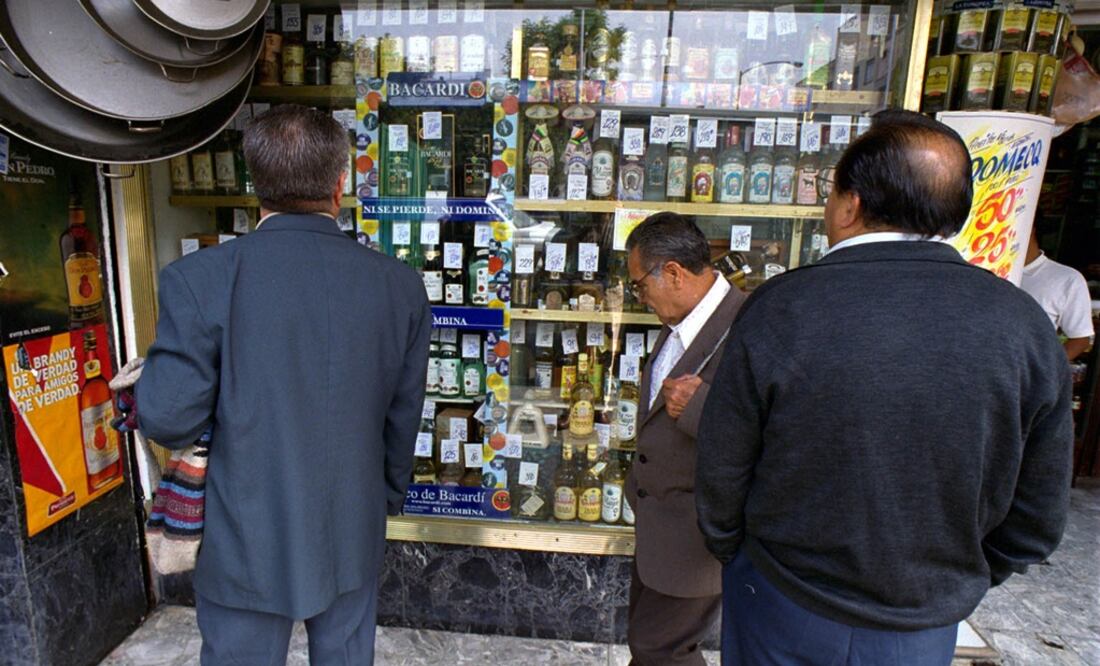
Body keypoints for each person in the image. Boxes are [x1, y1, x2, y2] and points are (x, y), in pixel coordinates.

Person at [696, 110, 1073, 666]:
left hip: (782, 596)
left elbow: (723, 462)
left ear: (849, 204)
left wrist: (736, 551)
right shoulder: (1022, 324)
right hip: (921, 616)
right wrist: (953, 579)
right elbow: (1038, 512)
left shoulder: (783, 308)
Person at [136, 105, 431, 664]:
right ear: (341, 183)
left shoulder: (199, 279)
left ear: (255, 182)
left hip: (242, 528)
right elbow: (402, 415)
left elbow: (168, 416)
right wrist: (385, 496)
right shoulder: (398, 285)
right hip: (351, 519)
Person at [622, 212, 746, 665]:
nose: (641, 297)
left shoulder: (748, 326)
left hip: (696, 536)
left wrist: (698, 408)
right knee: (652, 645)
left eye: (640, 285)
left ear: (671, 273)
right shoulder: (682, 322)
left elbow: (771, 429)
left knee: (661, 648)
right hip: (659, 530)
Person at [1021, 226, 1095, 361]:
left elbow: (1080, 339)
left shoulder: (1066, 279)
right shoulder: (984, 272)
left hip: (1025, 376)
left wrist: (1046, 371)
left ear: (1030, 229)